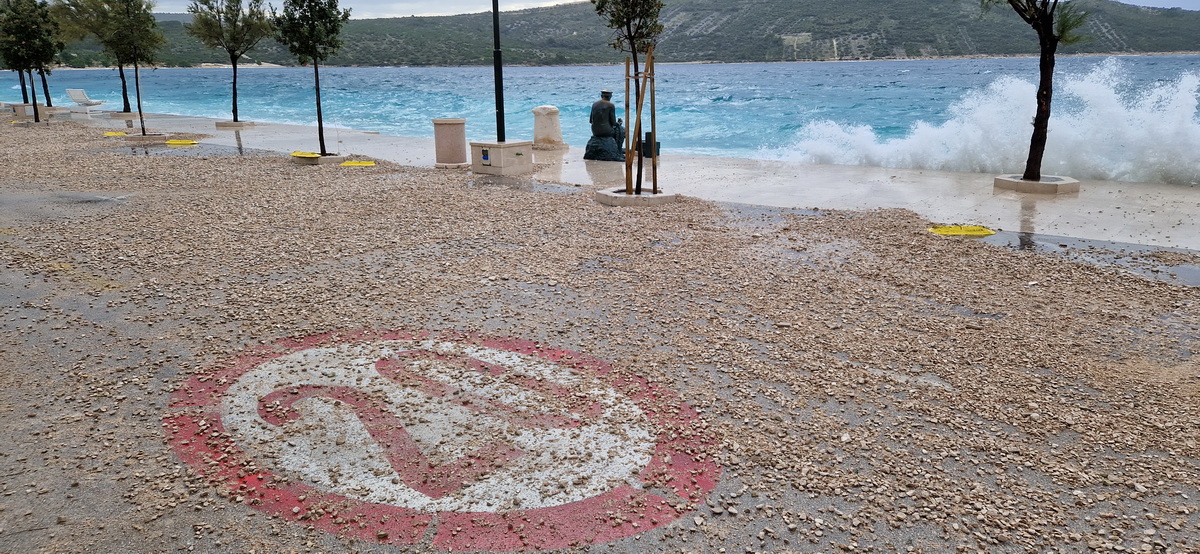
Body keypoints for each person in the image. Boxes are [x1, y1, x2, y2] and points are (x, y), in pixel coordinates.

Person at [585, 90, 625, 161]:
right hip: (606, 132)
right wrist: (619, 123)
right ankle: (618, 151)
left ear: (601, 96)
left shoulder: (594, 104)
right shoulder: (610, 105)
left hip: (595, 131)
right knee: (621, 130)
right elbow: (613, 123)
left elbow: (591, 121)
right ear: (610, 96)